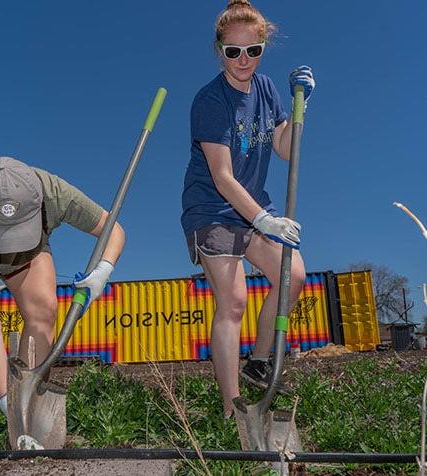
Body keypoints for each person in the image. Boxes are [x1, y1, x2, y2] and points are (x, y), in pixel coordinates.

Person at [0, 156, 124, 435]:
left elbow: (113, 230)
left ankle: (32, 406)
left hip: (31, 247)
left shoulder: (54, 192)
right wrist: (7, 404)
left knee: (43, 309)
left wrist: (102, 271)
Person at [180, 0, 315, 418]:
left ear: (262, 48)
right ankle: (231, 408)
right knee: (234, 300)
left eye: (252, 50)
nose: (243, 60)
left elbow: (285, 149)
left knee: (292, 276)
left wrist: (300, 110)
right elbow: (222, 177)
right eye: (233, 51)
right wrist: (264, 219)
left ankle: (258, 361)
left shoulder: (269, 89)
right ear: (219, 50)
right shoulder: (210, 101)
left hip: (254, 206)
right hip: (213, 210)